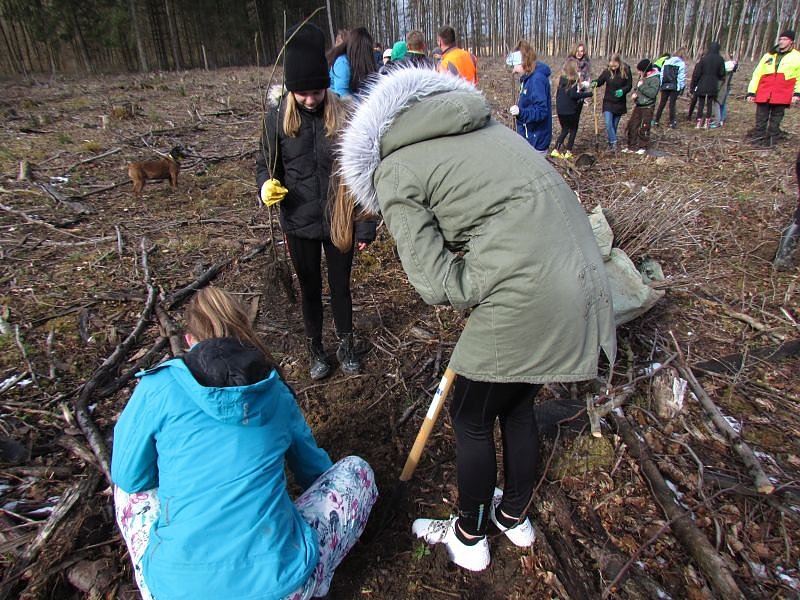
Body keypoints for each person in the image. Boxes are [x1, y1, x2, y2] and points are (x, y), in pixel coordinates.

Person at [335, 66, 616, 572]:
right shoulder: (485, 128)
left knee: (470, 414)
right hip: (583, 274)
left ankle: (469, 534)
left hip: (526, 292)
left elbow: (434, 282)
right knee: (518, 405)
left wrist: (476, 284)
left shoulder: (395, 170)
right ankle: (514, 515)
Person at [111, 286, 378, 600]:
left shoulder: (158, 385)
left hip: (173, 591)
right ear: (245, 331)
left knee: (127, 491)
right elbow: (314, 472)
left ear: (189, 341)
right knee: (357, 471)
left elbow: (129, 477)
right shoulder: (273, 389)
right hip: (281, 586)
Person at [256, 22, 375, 379]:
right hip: (298, 220)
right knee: (309, 288)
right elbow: (265, 163)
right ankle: (315, 349)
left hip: (338, 219)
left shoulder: (345, 114)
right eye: (303, 93)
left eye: (317, 91)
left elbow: (362, 172)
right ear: (291, 91)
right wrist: (266, 186)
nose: (311, 99)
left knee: (341, 287)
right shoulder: (277, 118)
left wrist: (365, 224)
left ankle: (346, 343)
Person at [746, 30, 800, 147]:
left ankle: (771, 142)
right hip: (764, 91)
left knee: (775, 120)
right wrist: (751, 92)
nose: (781, 41)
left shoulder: (797, 57)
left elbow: (799, 77)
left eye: (784, 39)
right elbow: (757, 73)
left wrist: (797, 93)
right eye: (780, 39)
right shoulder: (769, 55)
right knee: (760, 119)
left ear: (791, 42)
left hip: (782, 93)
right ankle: (757, 141)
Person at [508, 40, 552, 153]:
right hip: (528, 138)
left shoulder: (537, 79)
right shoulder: (527, 78)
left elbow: (541, 111)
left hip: (536, 141)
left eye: (515, 65)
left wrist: (521, 113)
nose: (514, 69)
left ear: (524, 62)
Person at [551, 58, 593, 159]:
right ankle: (568, 151)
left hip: (561, 111)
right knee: (573, 129)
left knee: (565, 129)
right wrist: (588, 94)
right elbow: (573, 95)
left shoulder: (561, 80)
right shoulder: (572, 81)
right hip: (570, 111)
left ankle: (555, 149)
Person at [592, 53, 632, 151]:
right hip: (608, 102)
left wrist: (623, 91)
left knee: (614, 126)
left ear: (619, 62)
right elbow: (600, 80)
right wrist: (596, 82)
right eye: (611, 66)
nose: (613, 68)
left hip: (619, 103)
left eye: (615, 66)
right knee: (608, 123)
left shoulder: (626, 71)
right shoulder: (607, 72)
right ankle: (614, 143)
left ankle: (610, 145)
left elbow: (629, 85)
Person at [624, 59, 660, 154]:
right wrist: (635, 94)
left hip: (648, 106)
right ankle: (631, 146)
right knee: (632, 125)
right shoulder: (642, 77)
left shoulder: (655, 79)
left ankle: (642, 147)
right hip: (639, 105)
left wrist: (641, 87)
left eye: (640, 70)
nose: (639, 72)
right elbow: (637, 88)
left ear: (646, 70)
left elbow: (652, 93)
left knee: (644, 126)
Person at [691, 42, 726, 129]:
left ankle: (699, 123)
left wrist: (693, 85)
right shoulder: (720, 59)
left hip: (702, 82)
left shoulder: (704, 59)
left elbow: (697, 73)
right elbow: (722, 73)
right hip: (713, 83)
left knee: (701, 103)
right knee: (710, 103)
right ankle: (707, 123)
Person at [653, 48, 687, 128]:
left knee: (662, 103)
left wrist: (661, 84)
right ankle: (672, 122)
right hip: (674, 86)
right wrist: (680, 87)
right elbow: (681, 76)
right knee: (672, 104)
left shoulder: (667, 61)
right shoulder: (681, 63)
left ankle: (656, 121)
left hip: (665, 85)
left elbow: (662, 73)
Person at [711, 55, 738, 127]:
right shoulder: (731, 68)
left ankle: (718, 121)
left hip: (722, 88)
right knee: (723, 103)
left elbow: (721, 80)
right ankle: (722, 119)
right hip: (727, 87)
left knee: (717, 103)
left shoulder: (725, 68)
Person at [327, 29, 350, 96]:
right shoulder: (341, 62)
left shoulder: (340, 61)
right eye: (337, 40)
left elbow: (341, 92)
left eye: (338, 41)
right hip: (337, 103)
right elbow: (341, 92)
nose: (336, 43)